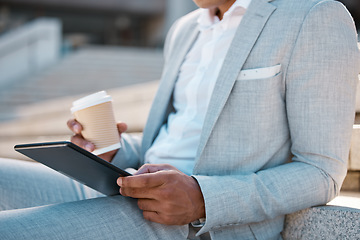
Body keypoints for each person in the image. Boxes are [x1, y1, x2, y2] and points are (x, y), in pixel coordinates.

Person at [0, 0, 359, 239]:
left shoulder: (313, 16)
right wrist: (112, 151)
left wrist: (203, 198)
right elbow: (174, 136)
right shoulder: (185, 28)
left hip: (202, 221)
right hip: (135, 189)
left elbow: (320, 171)